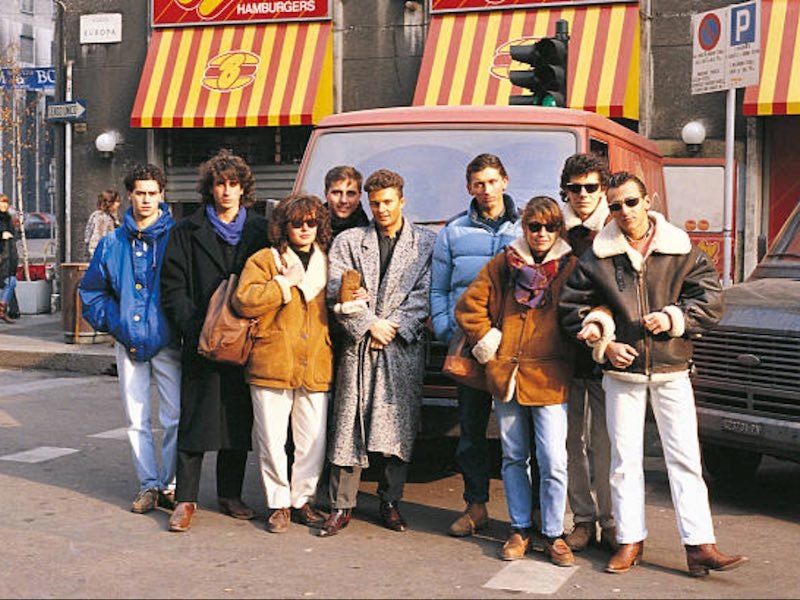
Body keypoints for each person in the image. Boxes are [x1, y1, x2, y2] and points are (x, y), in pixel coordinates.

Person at [559, 171, 748, 577]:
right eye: (615, 205)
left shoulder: (681, 249)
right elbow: (572, 307)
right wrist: (603, 343)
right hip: (621, 373)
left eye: (631, 202)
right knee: (624, 461)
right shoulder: (598, 255)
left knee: (686, 459)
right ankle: (630, 541)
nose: (624, 211)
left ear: (649, 201)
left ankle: (700, 545)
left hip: (673, 368)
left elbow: (711, 300)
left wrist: (673, 317)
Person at [455, 196, 577, 566]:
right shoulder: (503, 264)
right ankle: (520, 528)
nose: (541, 234)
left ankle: (554, 533)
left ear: (559, 229)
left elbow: (590, 304)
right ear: (524, 228)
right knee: (513, 456)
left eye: (550, 226)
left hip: (550, 376)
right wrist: (488, 340)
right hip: (506, 372)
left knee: (554, 460)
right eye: (534, 226)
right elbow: (468, 306)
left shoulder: (570, 267)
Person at [319, 169, 436, 536]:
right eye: (375, 203)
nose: (381, 209)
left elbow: (424, 295)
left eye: (387, 201)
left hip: (401, 348)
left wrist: (393, 326)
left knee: (396, 428)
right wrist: (369, 324)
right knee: (348, 424)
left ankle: (390, 502)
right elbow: (337, 290)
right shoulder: (350, 241)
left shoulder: (426, 243)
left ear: (402, 200)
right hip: (360, 347)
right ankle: (341, 505)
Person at [161, 149, 269, 533]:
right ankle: (185, 499)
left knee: (237, 420)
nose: (226, 191)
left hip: (246, 339)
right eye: (219, 184)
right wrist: (195, 326)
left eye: (233, 184)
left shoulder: (260, 230)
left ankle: (230, 495)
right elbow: (172, 285)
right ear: (209, 188)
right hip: (202, 341)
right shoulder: (185, 230)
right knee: (195, 421)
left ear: (243, 189)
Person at [79, 164, 180, 513]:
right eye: (141, 193)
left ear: (162, 195)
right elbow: (91, 292)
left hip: (169, 341)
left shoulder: (176, 237)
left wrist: (177, 323)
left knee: (174, 416)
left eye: (153, 193)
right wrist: (118, 323)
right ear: (129, 196)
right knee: (136, 417)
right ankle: (148, 483)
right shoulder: (111, 243)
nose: (147, 199)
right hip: (128, 340)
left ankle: (170, 483)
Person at [430, 153, 521, 537]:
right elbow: (438, 287)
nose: (486, 190)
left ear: (505, 181)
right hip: (467, 345)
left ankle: (524, 516)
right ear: (470, 188)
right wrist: (445, 325)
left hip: (514, 345)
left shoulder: (525, 228)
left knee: (517, 434)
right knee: (470, 431)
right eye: (478, 184)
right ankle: (475, 505)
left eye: (492, 181)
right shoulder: (453, 232)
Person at [232, 194, 333, 533]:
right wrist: (283, 283)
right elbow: (244, 300)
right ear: (283, 226)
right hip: (272, 359)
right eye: (297, 223)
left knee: (312, 440)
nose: (305, 228)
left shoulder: (328, 262)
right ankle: (278, 504)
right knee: (271, 439)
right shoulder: (266, 259)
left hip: (316, 360)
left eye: (311, 222)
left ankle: (302, 499)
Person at [558, 153, 617, 553]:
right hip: (562, 352)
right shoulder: (551, 228)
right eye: (574, 188)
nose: (582, 195)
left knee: (608, 442)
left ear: (603, 190)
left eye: (590, 187)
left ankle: (612, 521)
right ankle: (582, 519)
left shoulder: (615, 230)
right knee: (569, 443)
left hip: (606, 354)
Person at [324, 165, 369, 237]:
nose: (343, 200)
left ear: (359, 196)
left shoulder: (372, 235)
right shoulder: (307, 230)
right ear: (326, 194)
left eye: (350, 193)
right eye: (337, 193)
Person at [84, 189, 121, 260]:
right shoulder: (101, 217)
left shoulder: (110, 217)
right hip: (101, 259)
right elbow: (96, 240)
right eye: (116, 201)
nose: (118, 204)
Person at [0, 194, 18, 324]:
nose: (4, 205)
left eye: (6, 202)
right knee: (9, 282)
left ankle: (2, 309)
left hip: (8, 257)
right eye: (2, 202)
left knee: (11, 281)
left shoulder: (8, 219)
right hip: (2, 257)